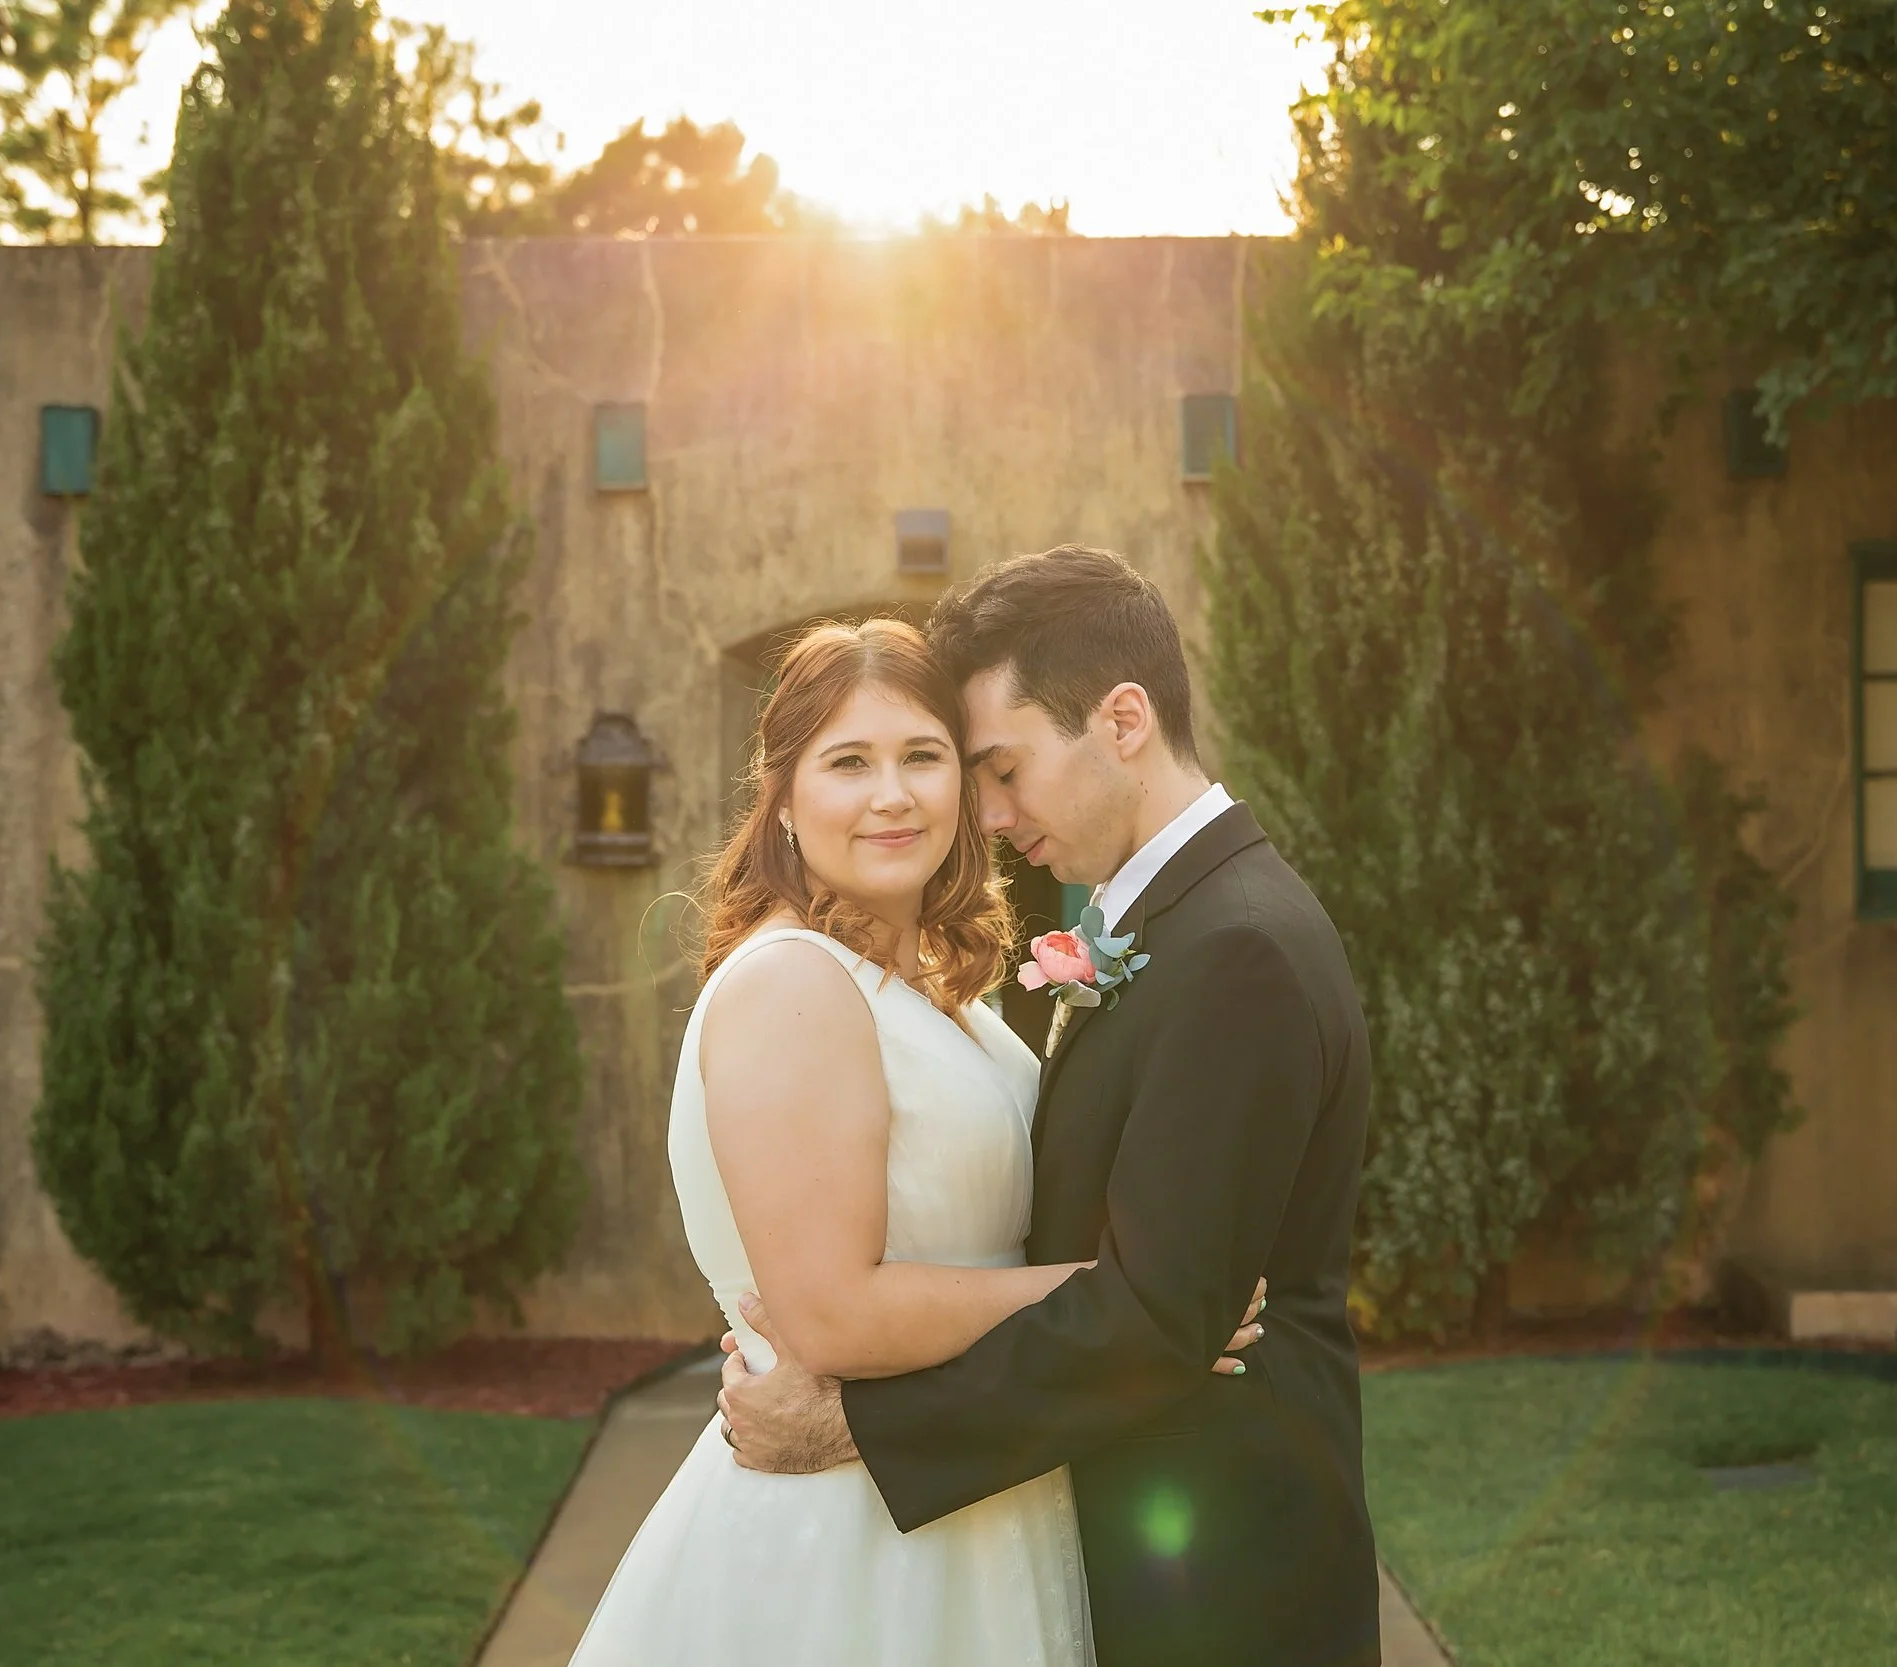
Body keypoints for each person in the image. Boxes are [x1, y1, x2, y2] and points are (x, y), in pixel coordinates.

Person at [721, 547, 1380, 1667]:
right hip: (1142, 1539)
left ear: (1122, 719)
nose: (985, 810)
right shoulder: (1180, 918)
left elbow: (1157, 1315)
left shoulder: (1238, 948)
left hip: (1222, 1581)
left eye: (1002, 768)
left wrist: (851, 1426)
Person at [567, 617, 1262, 1667]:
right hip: (848, 1547)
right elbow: (834, 1314)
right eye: (848, 762)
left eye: (923, 756)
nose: (892, 793)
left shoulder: (947, 998)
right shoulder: (791, 983)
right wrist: (1130, 1302)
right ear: (786, 800)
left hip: (973, 1490)